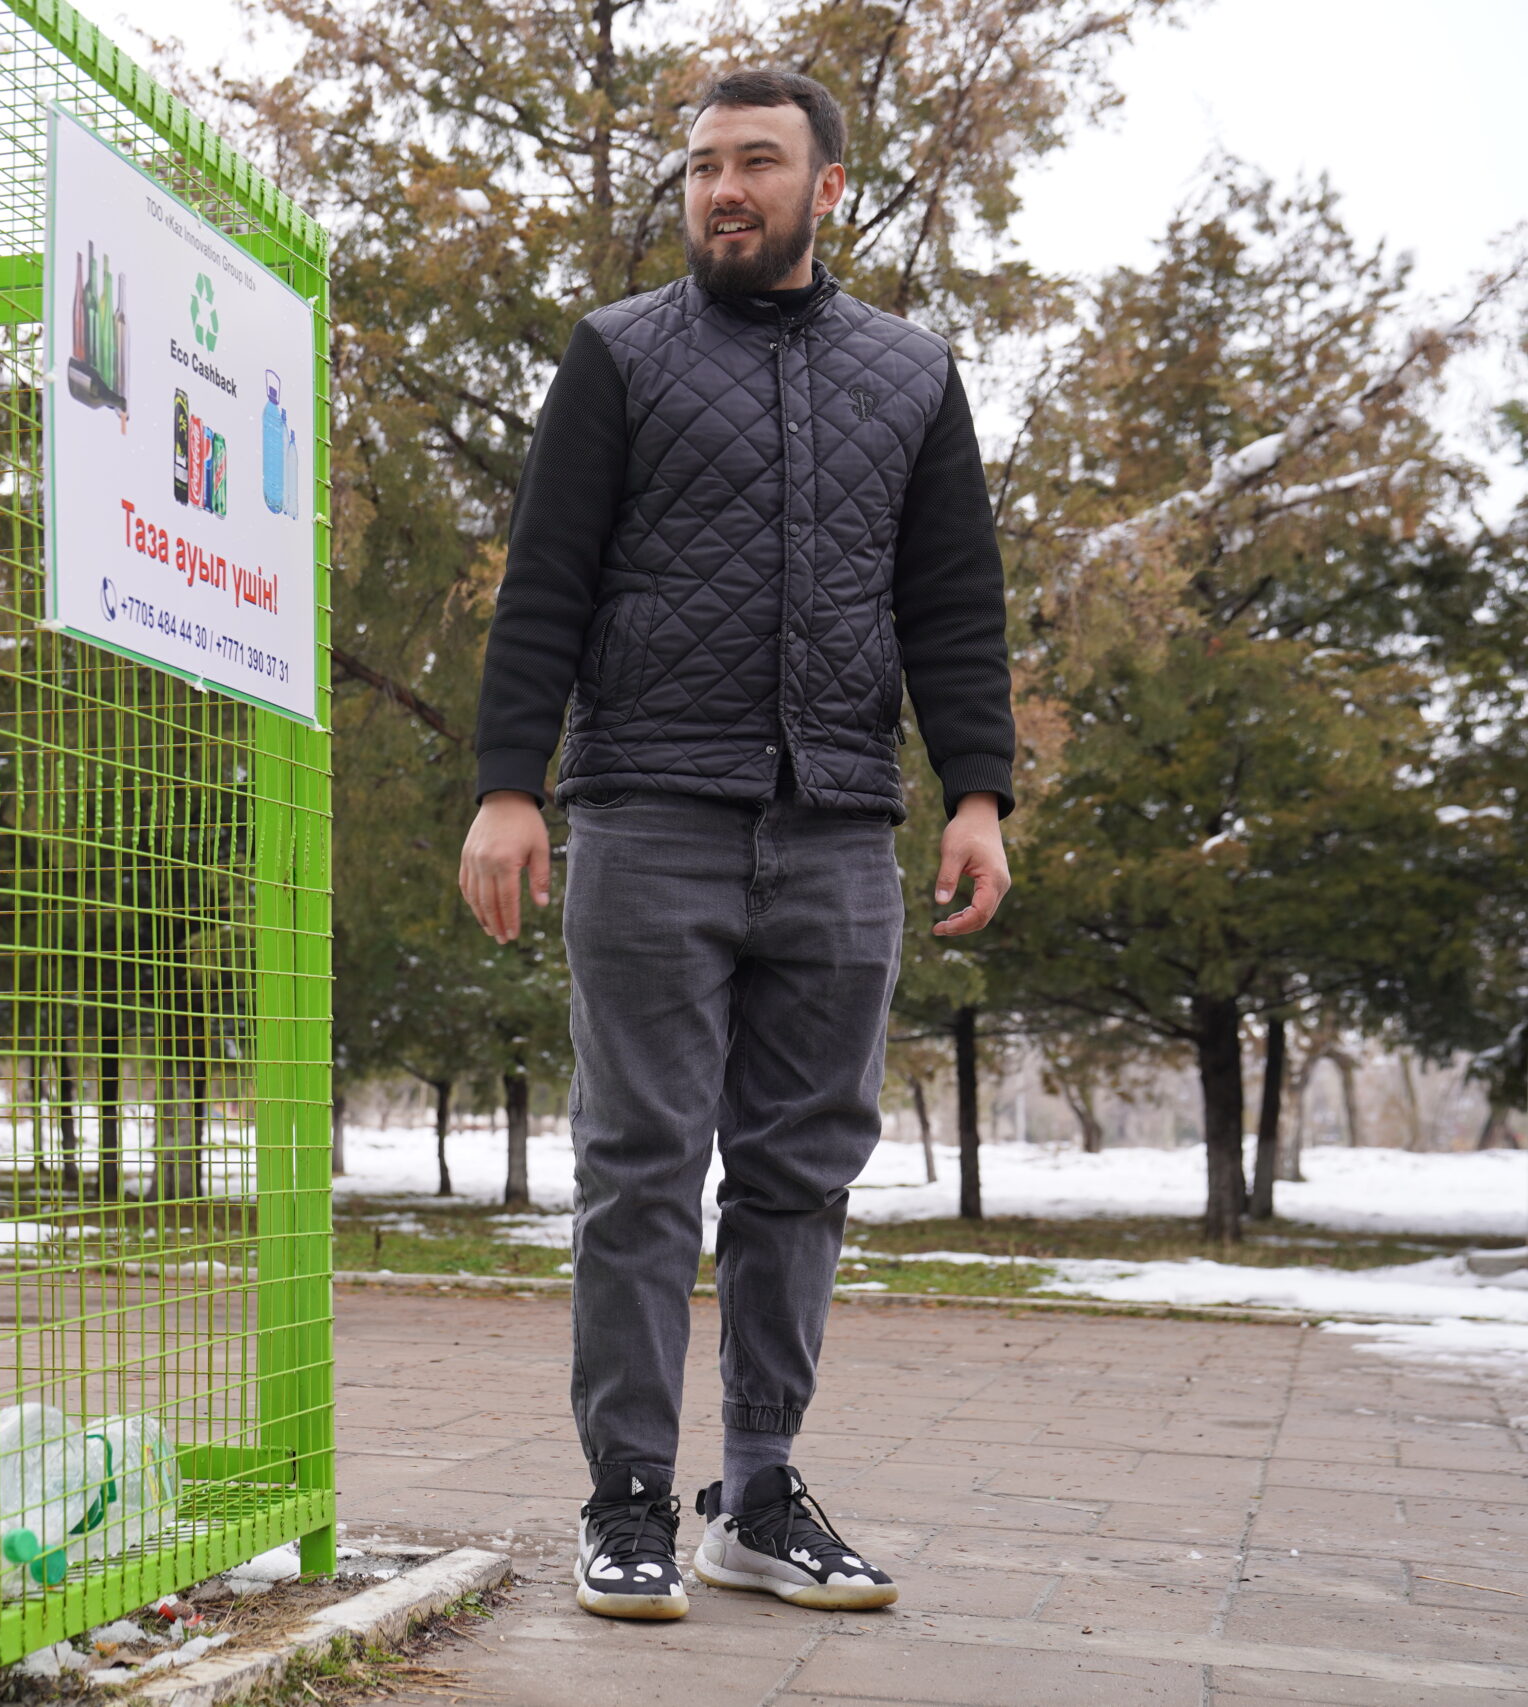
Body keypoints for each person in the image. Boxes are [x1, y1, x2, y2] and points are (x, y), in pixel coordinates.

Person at [457, 67, 1015, 1621]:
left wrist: (979, 792)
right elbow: (547, 580)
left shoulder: (912, 373)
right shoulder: (620, 356)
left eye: (756, 164)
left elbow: (951, 602)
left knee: (801, 1175)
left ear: (827, 186)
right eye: (703, 166)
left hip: (839, 831)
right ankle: (627, 1499)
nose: (722, 190)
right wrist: (512, 783)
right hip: (646, 815)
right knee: (638, 1168)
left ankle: (755, 1499)